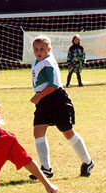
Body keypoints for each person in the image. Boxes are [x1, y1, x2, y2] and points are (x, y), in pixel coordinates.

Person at [29, 35, 94, 180]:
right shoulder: (38, 60)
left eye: (42, 49)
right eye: (36, 49)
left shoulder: (48, 63)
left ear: (49, 49)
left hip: (56, 99)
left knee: (67, 132)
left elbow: (53, 85)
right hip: (44, 101)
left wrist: (38, 97)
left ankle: (87, 162)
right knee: (38, 131)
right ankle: (46, 168)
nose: (39, 52)